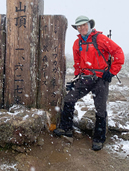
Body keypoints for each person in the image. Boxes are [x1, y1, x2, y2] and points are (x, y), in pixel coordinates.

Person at [53, 15, 125, 151]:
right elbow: (78, 63)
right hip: (85, 78)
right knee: (69, 99)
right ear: (77, 28)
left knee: (100, 108)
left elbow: (118, 52)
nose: (82, 28)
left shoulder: (101, 39)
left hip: (101, 79)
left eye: (84, 25)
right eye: (79, 26)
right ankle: (66, 128)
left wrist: (111, 72)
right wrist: (76, 79)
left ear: (89, 25)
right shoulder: (77, 43)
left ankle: (98, 139)